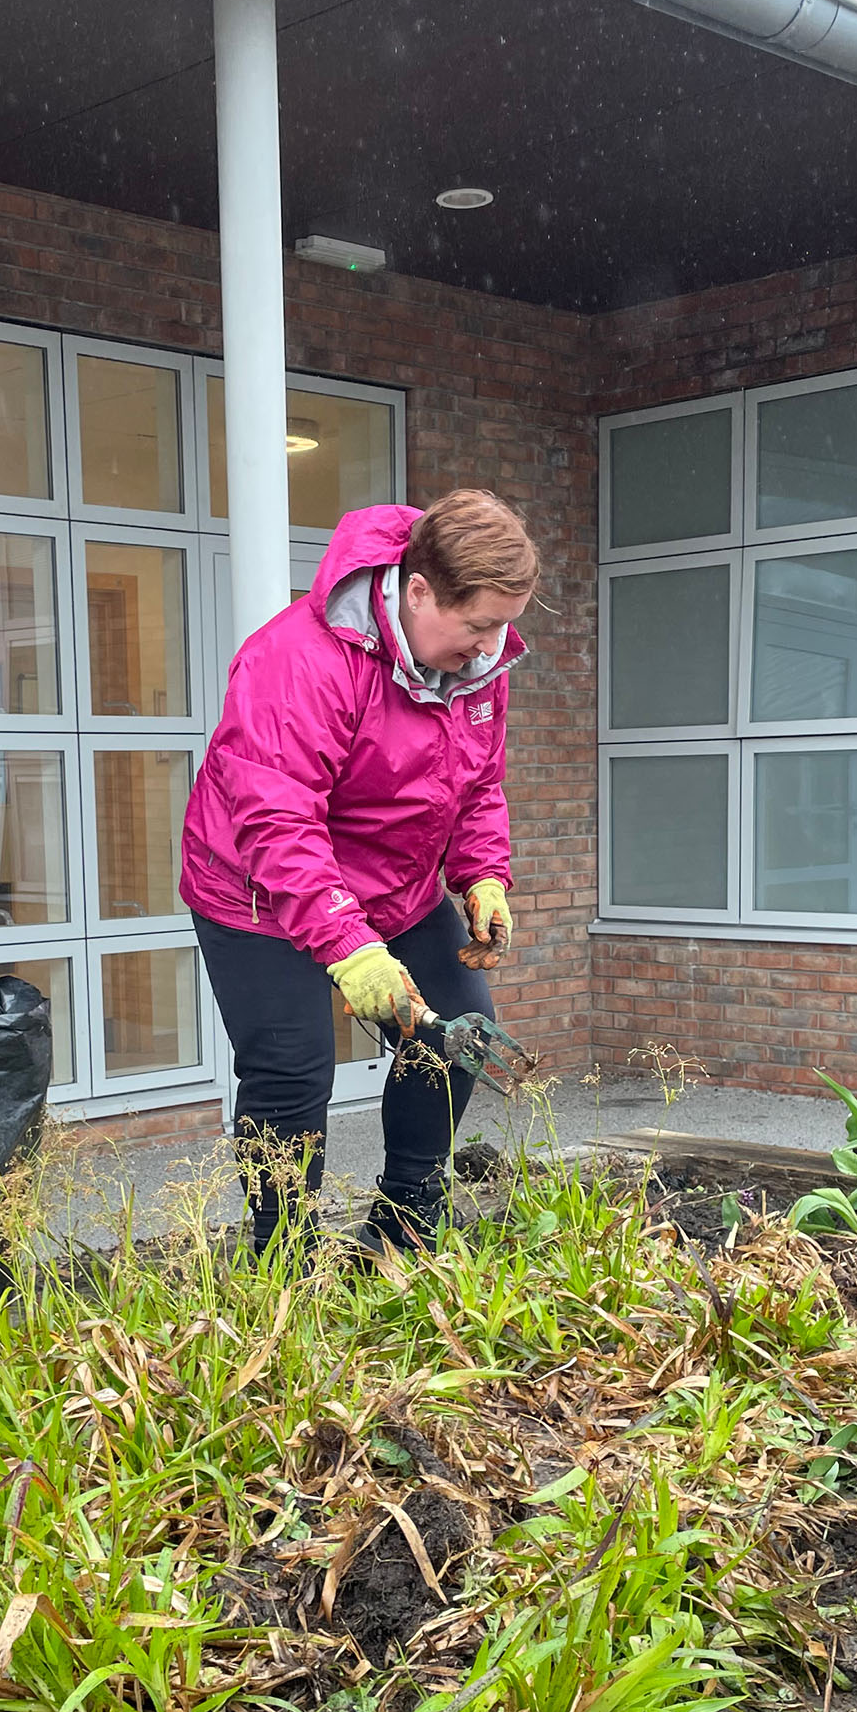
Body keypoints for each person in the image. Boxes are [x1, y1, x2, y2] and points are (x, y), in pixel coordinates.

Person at [180, 487, 537, 1254]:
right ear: (417, 591)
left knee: (457, 1032)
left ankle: (403, 1223)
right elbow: (278, 820)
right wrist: (348, 946)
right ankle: (284, 1258)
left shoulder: (479, 666)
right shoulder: (298, 660)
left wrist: (482, 874)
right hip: (259, 890)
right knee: (292, 1069)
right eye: (476, 624)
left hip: (393, 882)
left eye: (502, 625)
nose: (488, 646)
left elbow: (476, 783)